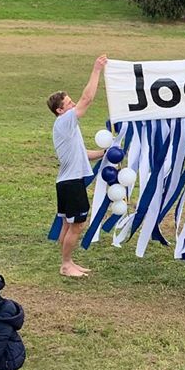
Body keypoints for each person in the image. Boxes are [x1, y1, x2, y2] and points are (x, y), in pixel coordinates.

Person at [47, 54, 108, 278]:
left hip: (66, 181)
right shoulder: (65, 121)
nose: (73, 105)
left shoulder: (68, 127)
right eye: (68, 103)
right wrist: (96, 70)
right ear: (60, 111)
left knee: (67, 225)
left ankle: (67, 261)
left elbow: (84, 155)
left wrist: (104, 153)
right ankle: (66, 264)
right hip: (71, 183)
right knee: (77, 225)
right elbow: (87, 99)